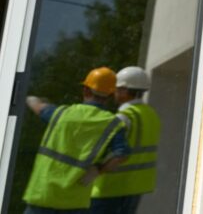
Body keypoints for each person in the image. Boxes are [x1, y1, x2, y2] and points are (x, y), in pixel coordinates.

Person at [23, 67, 129, 214]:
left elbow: (37, 106)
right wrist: (98, 170)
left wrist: (28, 97)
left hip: (42, 195)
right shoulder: (112, 124)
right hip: (75, 202)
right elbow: (122, 154)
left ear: (85, 90)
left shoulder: (61, 114)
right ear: (110, 96)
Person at [90, 66, 161, 214]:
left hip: (111, 188)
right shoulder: (151, 114)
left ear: (124, 90)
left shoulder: (124, 116)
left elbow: (109, 151)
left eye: (116, 89)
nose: (114, 93)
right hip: (136, 187)